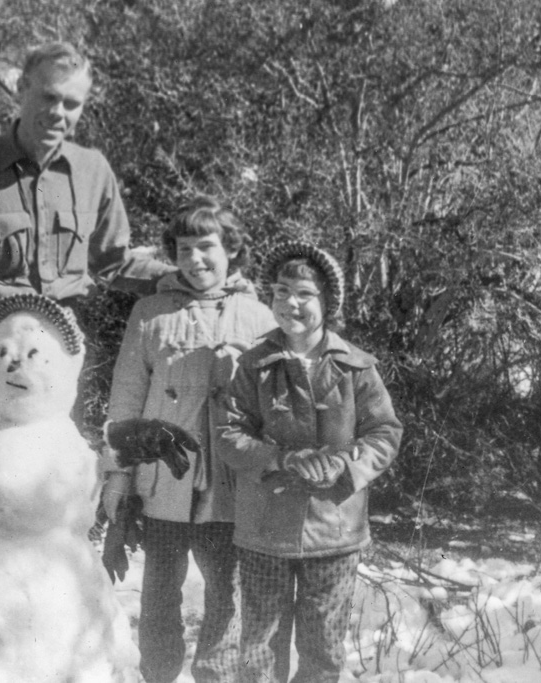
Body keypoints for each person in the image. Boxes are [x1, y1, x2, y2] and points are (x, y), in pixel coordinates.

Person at [0, 41, 173, 504]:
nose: (59, 112)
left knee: (54, 470)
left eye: (72, 103)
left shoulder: (93, 171)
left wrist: (179, 276)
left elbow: (114, 261)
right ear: (22, 89)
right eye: (48, 97)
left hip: (59, 343)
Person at [101, 197, 277, 683]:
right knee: (159, 591)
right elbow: (126, 401)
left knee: (227, 590)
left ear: (232, 251)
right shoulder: (150, 312)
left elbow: (277, 408)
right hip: (162, 483)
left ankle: (215, 674)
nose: (196, 260)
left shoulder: (260, 316)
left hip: (229, 488)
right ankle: (158, 673)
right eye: (184, 249)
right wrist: (117, 478)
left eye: (207, 247)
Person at [219, 241, 402, 683]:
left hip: (333, 530)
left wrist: (345, 465)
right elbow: (229, 432)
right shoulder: (254, 364)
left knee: (323, 646)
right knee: (259, 643)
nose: (290, 303)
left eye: (304, 293)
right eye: (281, 292)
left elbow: (384, 432)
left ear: (327, 303)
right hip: (265, 530)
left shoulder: (355, 367)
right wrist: (280, 459)